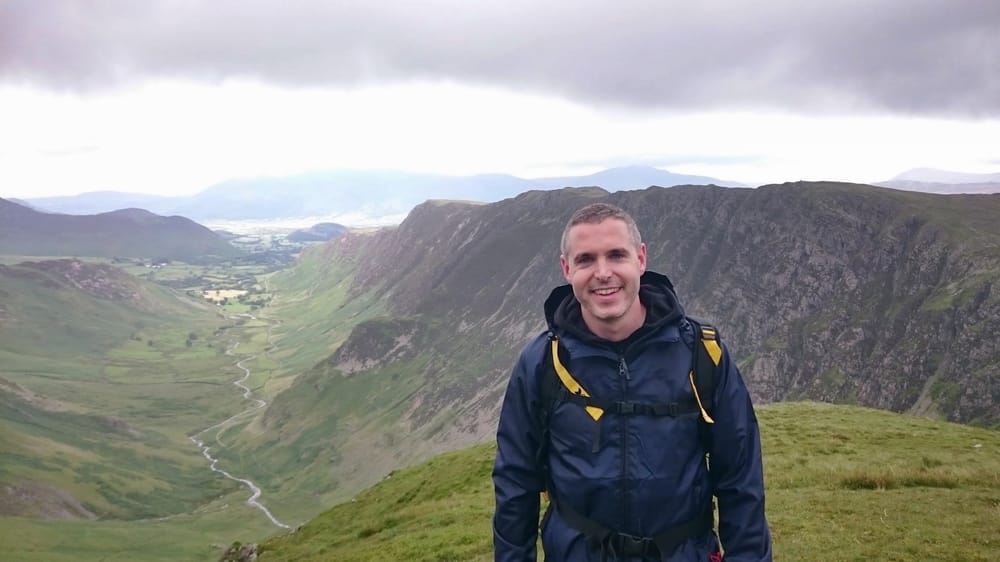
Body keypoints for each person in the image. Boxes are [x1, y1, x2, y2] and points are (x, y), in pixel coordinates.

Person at [492, 202, 771, 561]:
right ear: (566, 269)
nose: (603, 272)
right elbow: (515, 482)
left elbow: (741, 482)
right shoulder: (541, 362)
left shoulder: (703, 353)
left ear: (641, 259)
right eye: (586, 260)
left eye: (616, 255)